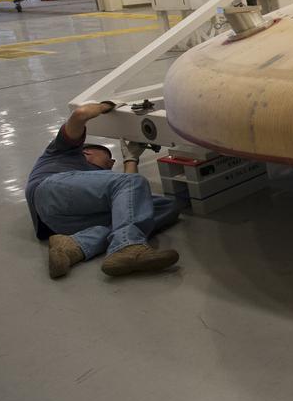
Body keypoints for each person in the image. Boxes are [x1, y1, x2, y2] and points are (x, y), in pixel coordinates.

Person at [26, 101, 181, 278]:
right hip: (51, 190)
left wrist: (131, 159)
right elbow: (80, 114)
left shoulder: (90, 180)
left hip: (59, 224)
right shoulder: (65, 152)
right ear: (87, 153)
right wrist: (104, 106)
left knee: (164, 206)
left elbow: (130, 197)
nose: (113, 163)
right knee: (131, 185)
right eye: (108, 158)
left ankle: (72, 246)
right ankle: (128, 245)